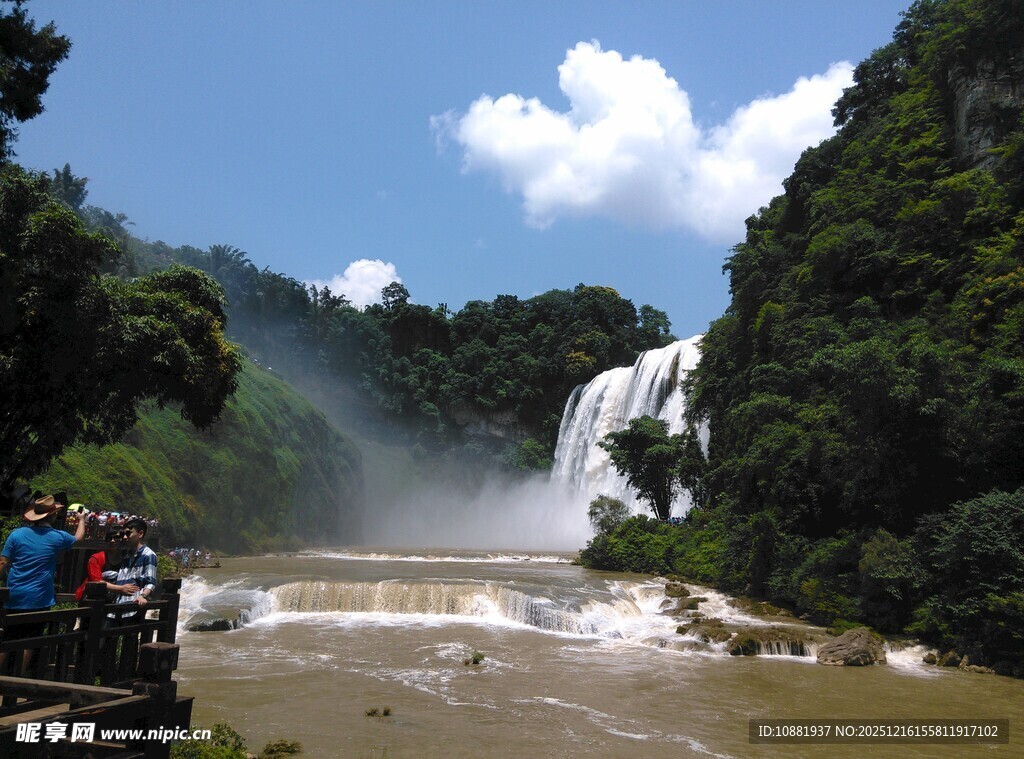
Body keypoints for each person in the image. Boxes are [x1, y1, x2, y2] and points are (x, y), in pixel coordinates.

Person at [0, 494, 86, 674]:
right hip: (38, 598)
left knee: (7, 640)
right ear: (52, 516)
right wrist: (81, 519)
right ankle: (17, 682)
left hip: (13, 595)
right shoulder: (57, 537)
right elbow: (78, 538)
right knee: (29, 642)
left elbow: (2, 562)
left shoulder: (16, 534)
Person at [108, 517, 158, 624]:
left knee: (129, 639)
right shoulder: (126, 555)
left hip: (133, 608)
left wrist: (143, 596)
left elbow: (151, 582)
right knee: (108, 639)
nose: (125, 537)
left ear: (140, 534)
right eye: (123, 534)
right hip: (117, 605)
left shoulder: (148, 555)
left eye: (128, 533)